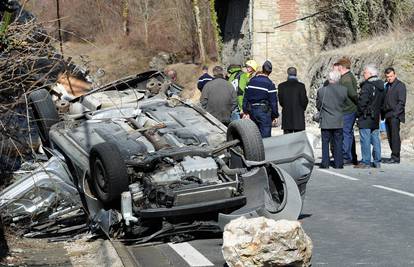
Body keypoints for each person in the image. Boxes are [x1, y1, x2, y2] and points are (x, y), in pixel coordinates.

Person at [354, 64, 385, 168]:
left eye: (365, 72)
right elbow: (383, 102)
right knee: (375, 139)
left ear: (371, 74)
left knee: (365, 139)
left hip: (366, 116)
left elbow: (362, 102)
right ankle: (377, 161)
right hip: (376, 116)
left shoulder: (367, 86)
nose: (364, 74)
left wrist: (358, 113)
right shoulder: (381, 86)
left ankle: (366, 161)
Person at [317, 70, 348, 169]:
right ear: (338, 79)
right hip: (338, 120)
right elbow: (345, 103)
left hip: (326, 120)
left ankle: (325, 163)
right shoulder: (344, 90)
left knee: (325, 143)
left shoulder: (322, 91)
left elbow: (318, 105)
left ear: (329, 79)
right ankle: (339, 164)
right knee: (338, 142)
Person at [242, 60, 278, 138]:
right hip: (263, 112)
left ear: (262, 69)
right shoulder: (270, 84)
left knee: (254, 136)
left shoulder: (251, 81)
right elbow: (273, 102)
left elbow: (246, 97)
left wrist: (245, 111)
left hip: (251, 111)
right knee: (265, 138)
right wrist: (275, 115)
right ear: (270, 72)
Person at [336, 57, 359, 165]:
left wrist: (357, 103)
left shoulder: (346, 79)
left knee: (345, 133)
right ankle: (351, 156)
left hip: (348, 110)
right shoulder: (348, 77)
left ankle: (346, 156)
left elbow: (352, 94)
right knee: (349, 133)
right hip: (349, 109)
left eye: (338, 66)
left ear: (341, 66)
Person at [382, 67, 407, 164]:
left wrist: (395, 114)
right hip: (387, 114)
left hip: (395, 115)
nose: (389, 78)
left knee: (395, 136)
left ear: (395, 75)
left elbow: (401, 102)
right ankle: (393, 154)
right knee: (390, 136)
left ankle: (396, 157)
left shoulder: (400, 85)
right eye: (387, 77)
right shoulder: (387, 86)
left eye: (391, 76)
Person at [278, 67, 308, 134]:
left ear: (287, 73)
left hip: (287, 118)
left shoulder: (281, 86)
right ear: (296, 74)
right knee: (299, 141)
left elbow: (281, 101)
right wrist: (302, 109)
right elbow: (304, 100)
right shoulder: (301, 86)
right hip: (298, 118)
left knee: (287, 141)